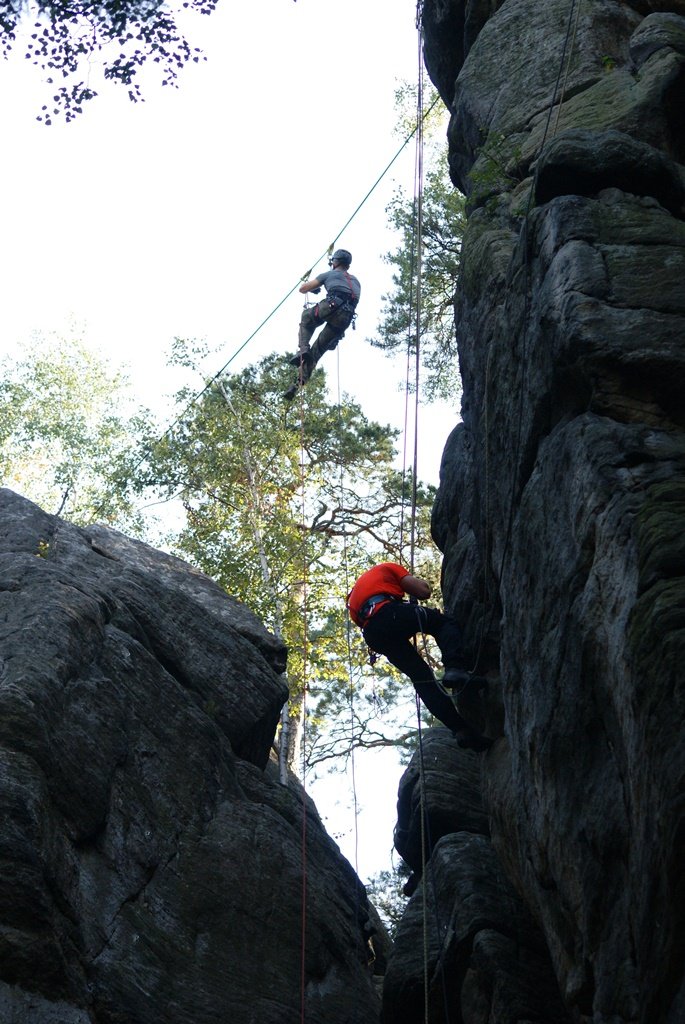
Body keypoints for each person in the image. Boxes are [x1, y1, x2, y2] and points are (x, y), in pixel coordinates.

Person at [347, 562, 492, 752]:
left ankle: (460, 729)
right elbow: (423, 591)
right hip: (389, 613)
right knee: (443, 624)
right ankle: (455, 668)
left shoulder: (357, 596)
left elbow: (378, 622)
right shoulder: (388, 568)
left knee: (421, 678)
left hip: (373, 633)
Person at [284, 248, 361, 400]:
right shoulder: (356, 281)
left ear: (335, 262)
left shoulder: (329, 274)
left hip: (331, 305)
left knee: (306, 318)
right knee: (317, 352)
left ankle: (303, 349)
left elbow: (303, 288)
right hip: (345, 318)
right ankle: (297, 384)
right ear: (348, 266)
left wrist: (315, 289)